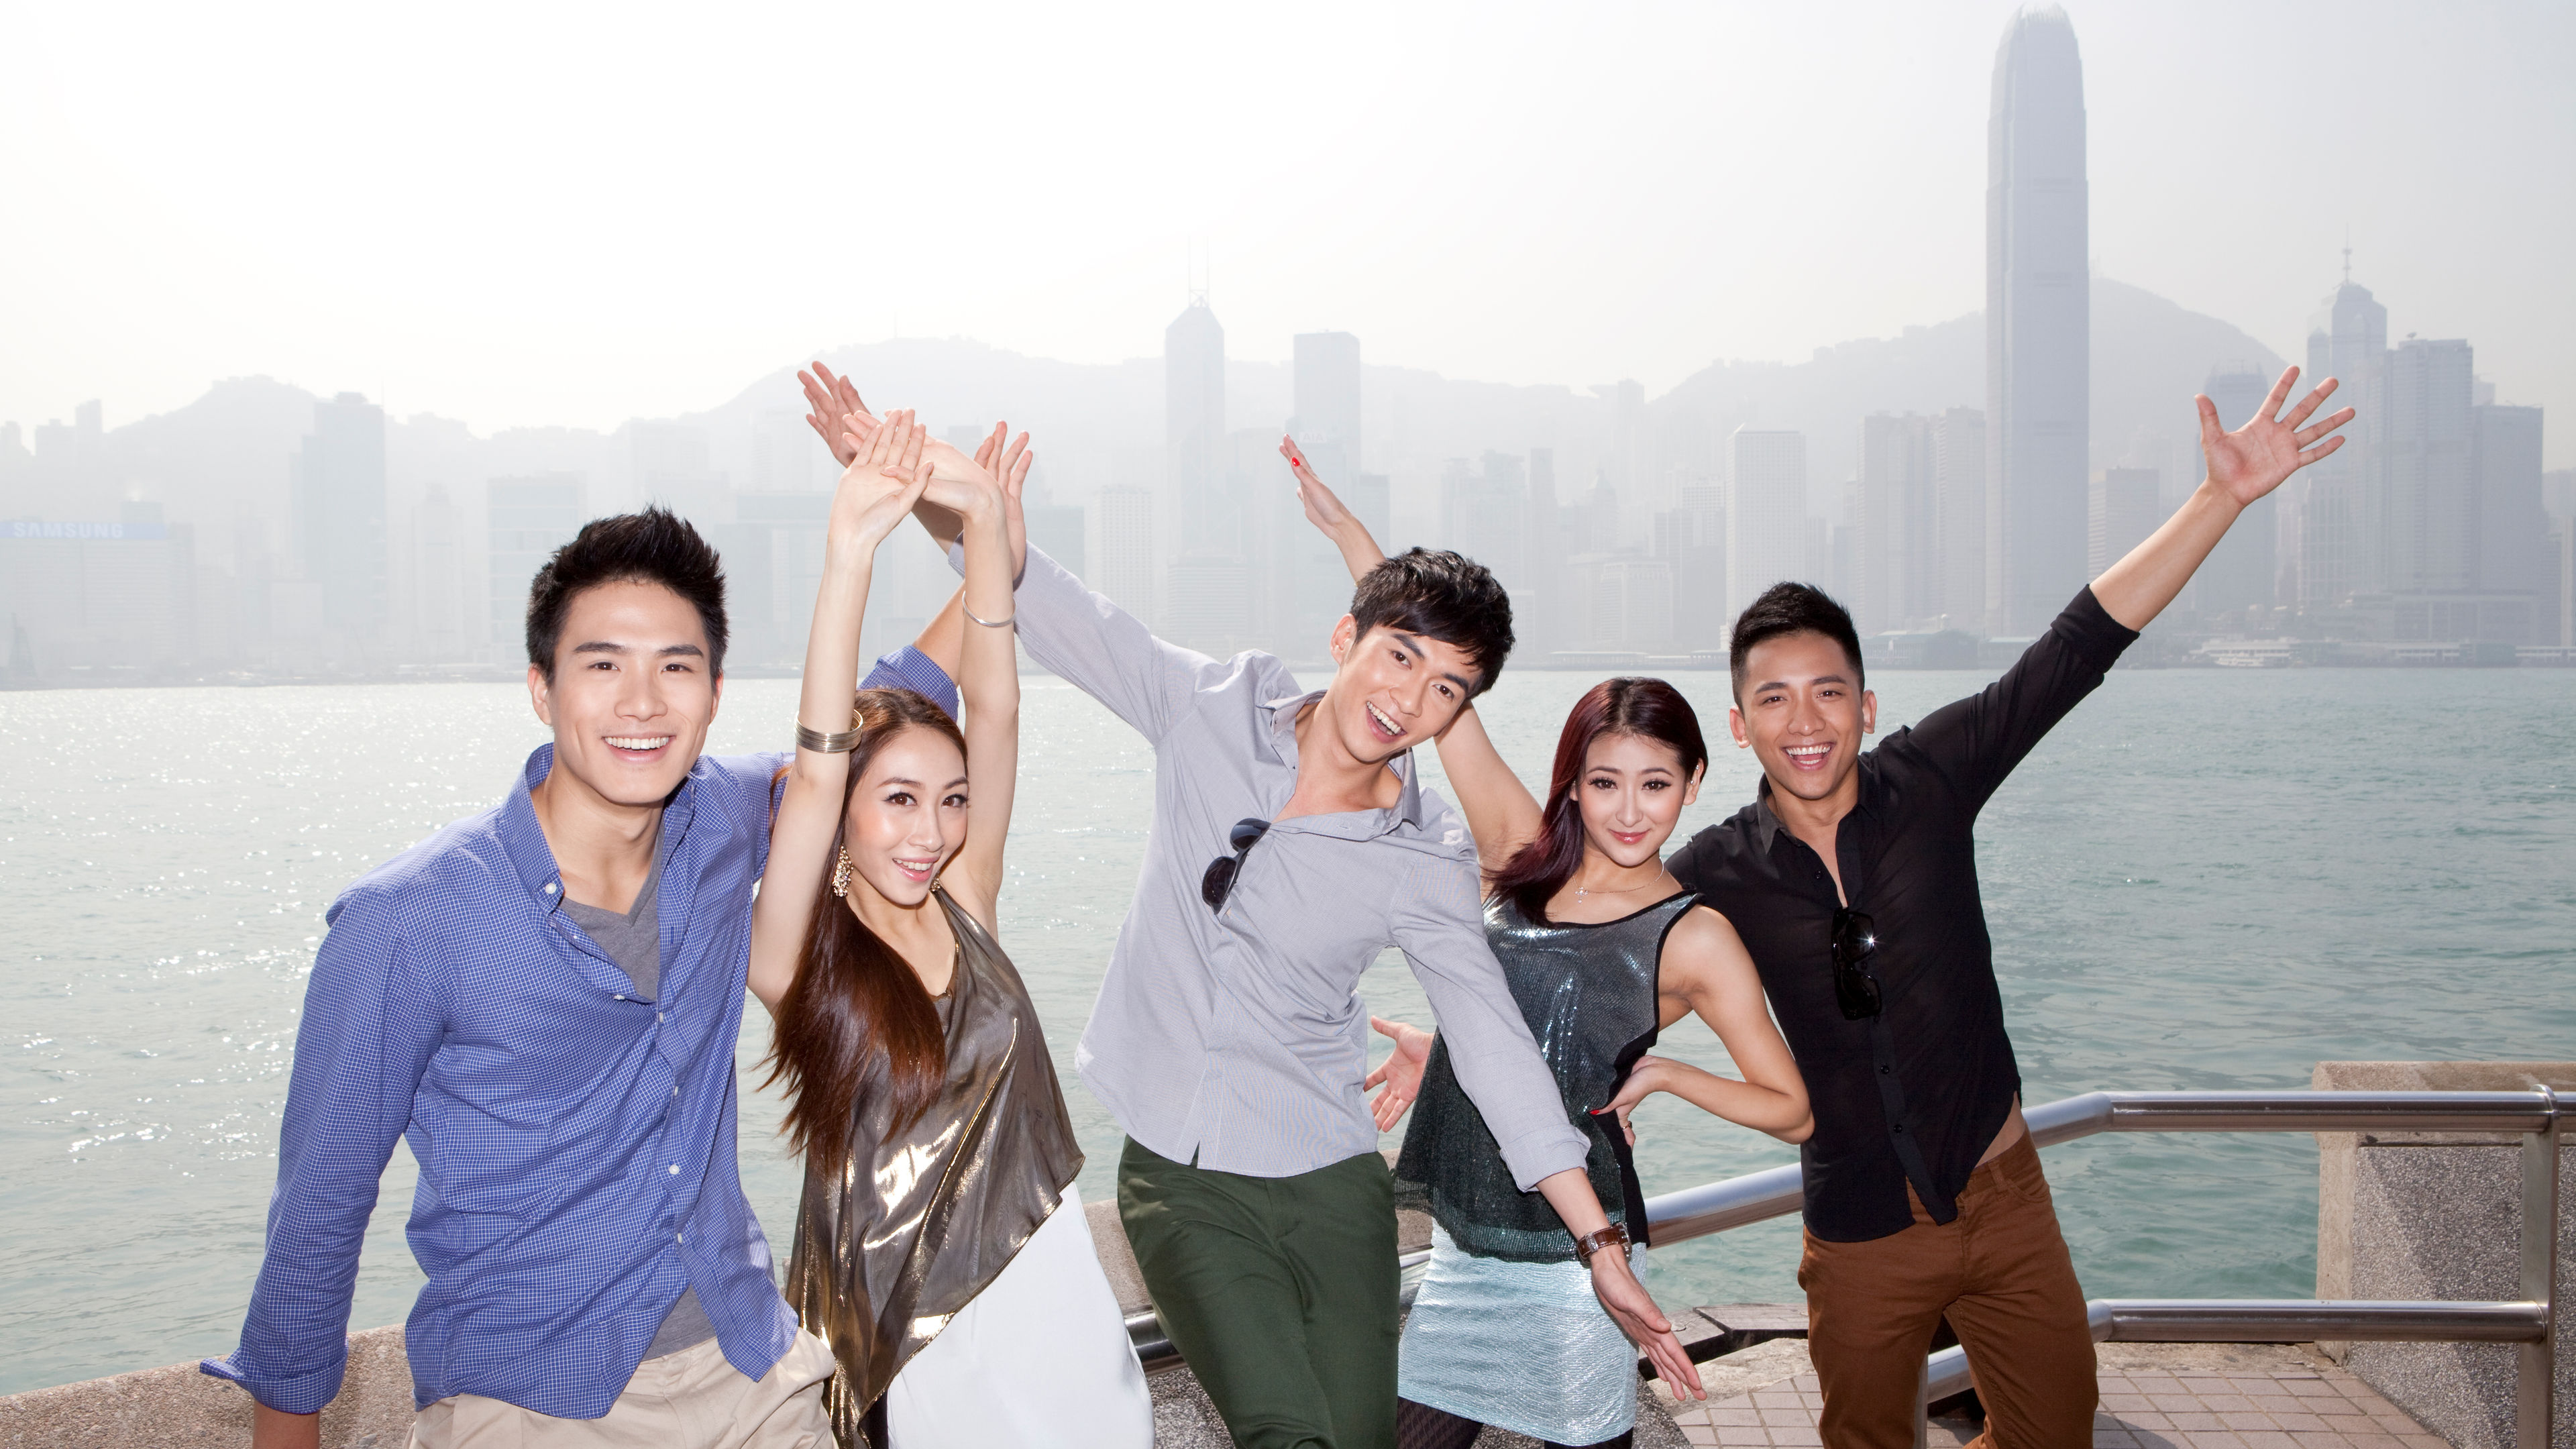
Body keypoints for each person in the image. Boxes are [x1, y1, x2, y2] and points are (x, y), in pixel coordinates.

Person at [844, 405, 1707, 1448]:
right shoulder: (1208, 707)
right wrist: (937, 494)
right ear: (1347, 636)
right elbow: (1047, 601)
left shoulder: (1420, 854)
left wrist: (1600, 1244)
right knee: (1283, 1432)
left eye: (1445, 690)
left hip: (1332, 1182)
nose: (1408, 702)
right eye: (1399, 658)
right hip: (1179, 1177)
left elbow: (1492, 1044)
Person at [1656, 368, 2355, 1448]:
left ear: (1865, 704)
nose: (1807, 721)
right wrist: (1460, 1032)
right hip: (1859, 1230)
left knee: (2053, 1429)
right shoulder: (1718, 870)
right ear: (1739, 726)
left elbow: (2072, 650)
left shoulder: (1930, 776)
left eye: (1829, 691)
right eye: (1775, 698)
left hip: (2004, 1200)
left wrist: (2219, 499)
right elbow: (1594, 953)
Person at [203, 508, 837, 1449]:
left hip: (751, 1370)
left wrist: (977, 532)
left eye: (676, 666)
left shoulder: (723, 818)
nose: (642, 702)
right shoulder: (408, 920)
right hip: (532, 1397)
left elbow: (880, 719)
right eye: (602, 664)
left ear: (711, 694)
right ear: (541, 688)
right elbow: (319, 1215)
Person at [1289, 446, 1812, 1449]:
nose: (1628, 809)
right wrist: (1357, 543)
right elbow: (1441, 703)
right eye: (1603, 782)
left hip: (1583, 1261)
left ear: (1694, 784)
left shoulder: (1694, 935)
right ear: (1572, 783)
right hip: (1467, 1252)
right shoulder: (1523, 860)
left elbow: (1792, 1108)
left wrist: (1664, 1076)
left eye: (1655, 784)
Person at [744, 408, 1152, 1448]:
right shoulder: (798, 955)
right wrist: (849, 557)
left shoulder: (968, 901)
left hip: (1054, 1296)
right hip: (914, 1337)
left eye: (952, 799)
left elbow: (998, 704)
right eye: (900, 802)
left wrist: (982, 525)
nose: (931, 832)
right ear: (842, 812)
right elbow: (824, 755)